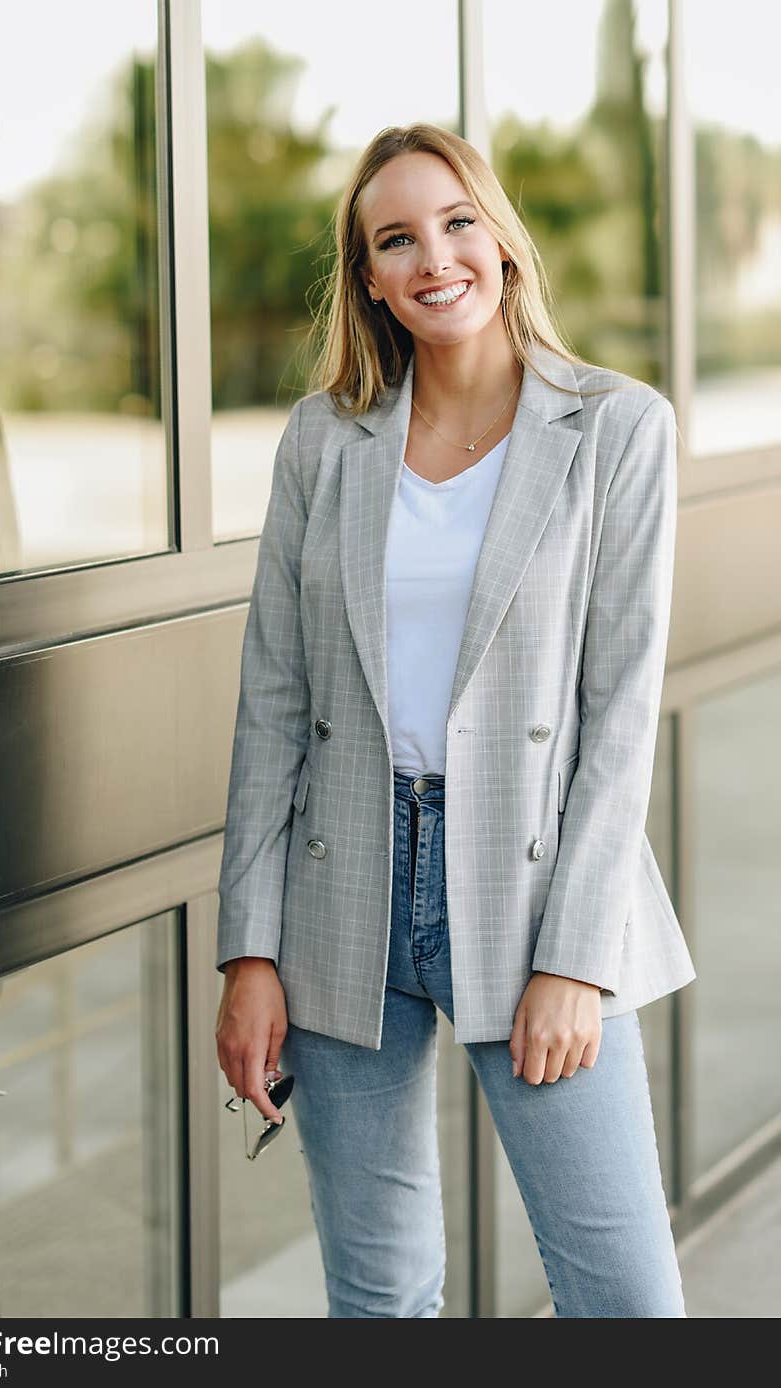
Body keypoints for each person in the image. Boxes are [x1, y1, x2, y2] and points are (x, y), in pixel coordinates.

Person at [214, 122, 696, 1318]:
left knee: (625, 1299)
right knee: (377, 1301)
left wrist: (576, 958)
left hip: (532, 893)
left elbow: (618, 711)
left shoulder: (617, 427)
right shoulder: (325, 441)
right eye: (396, 238)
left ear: (501, 239)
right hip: (342, 886)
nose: (434, 257)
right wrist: (249, 949)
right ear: (369, 275)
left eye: (455, 222)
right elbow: (273, 701)